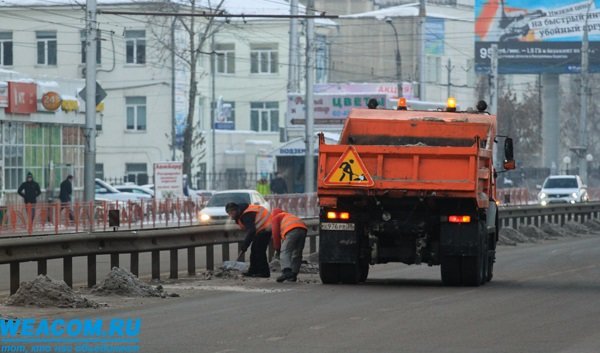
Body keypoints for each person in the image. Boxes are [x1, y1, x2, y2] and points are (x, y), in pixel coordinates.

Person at [226, 202, 272, 278]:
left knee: (259, 250)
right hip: (262, 229)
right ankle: (253, 271)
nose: (231, 214)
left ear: (237, 210)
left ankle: (264, 272)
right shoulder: (242, 213)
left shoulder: (246, 215)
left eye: (232, 211)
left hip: (266, 229)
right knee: (254, 250)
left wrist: (245, 245)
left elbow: (251, 231)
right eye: (229, 212)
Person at [271, 208, 307, 282]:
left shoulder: (276, 218)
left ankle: (286, 271)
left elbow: (275, 235)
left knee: (285, 252)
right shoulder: (289, 215)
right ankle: (293, 274)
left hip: (291, 230)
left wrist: (277, 249)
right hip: (303, 229)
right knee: (297, 253)